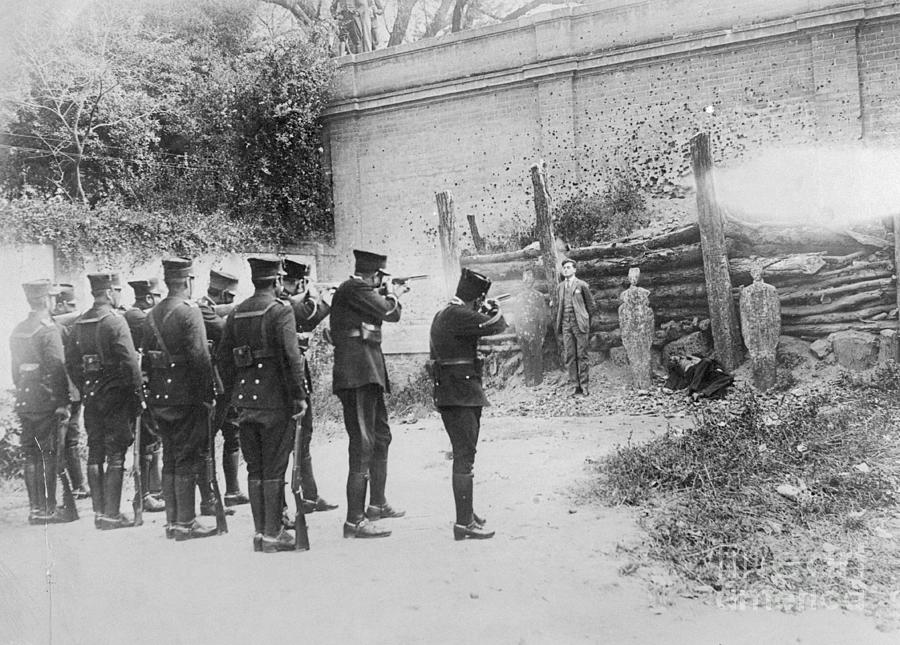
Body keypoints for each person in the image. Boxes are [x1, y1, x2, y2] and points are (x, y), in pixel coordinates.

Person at [216, 256, 309, 553]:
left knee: (254, 469)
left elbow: (223, 358)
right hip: (274, 402)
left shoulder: (237, 312)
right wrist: (299, 396)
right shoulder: (280, 311)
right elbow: (292, 357)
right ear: (278, 280)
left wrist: (232, 396)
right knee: (274, 468)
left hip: (245, 402)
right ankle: (273, 533)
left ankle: (260, 533)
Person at [330, 249, 407, 539]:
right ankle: (354, 521)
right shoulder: (355, 287)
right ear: (373, 274)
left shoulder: (358, 290)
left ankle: (376, 505)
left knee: (381, 437)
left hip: (367, 372)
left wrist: (391, 294)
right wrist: (394, 293)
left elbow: (390, 313)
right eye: (380, 277)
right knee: (362, 444)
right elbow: (391, 312)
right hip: (357, 374)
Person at [141, 258, 218, 541]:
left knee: (171, 456)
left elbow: (146, 359)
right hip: (186, 396)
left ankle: (173, 522)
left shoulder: (151, 315)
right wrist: (207, 395)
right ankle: (185, 523)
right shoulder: (189, 312)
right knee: (186, 456)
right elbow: (200, 358)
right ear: (187, 282)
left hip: (161, 396)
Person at [429, 268, 507, 540]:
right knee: (465, 457)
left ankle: (467, 514)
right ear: (476, 297)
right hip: (460, 393)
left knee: (465, 455)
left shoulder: (448, 313)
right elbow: (498, 325)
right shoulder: (456, 314)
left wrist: (484, 309)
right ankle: (464, 523)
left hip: (456, 391)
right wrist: (494, 308)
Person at [65, 272, 142, 529]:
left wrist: (86, 386)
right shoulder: (115, 322)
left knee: (95, 451)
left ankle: (99, 513)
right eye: (117, 290)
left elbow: (72, 363)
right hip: (116, 396)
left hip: (92, 395)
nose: (119, 295)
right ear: (109, 292)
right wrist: (137, 395)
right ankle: (112, 514)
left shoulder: (79, 323)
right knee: (116, 452)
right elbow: (130, 363)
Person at [12, 280, 73, 524]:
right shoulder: (48, 329)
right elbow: (57, 368)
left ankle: (35, 509)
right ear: (47, 300)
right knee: (47, 454)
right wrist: (63, 401)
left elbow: (15, 372)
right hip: (46, 399)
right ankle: (48, 509)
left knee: (30, 455)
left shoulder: (17, 329)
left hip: (26, 399)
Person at [281, 259, 337, 514]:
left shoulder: (290, 301)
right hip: (286, 381)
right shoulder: (282, 303)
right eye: (301, 282)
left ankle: (310, 495)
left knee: (304, 437)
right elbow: (308, 318)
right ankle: (291, 500)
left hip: (297, 377)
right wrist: (322, 300)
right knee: (289, 441)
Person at [197, 269, 247, 510]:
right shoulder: (202, 309)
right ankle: (209, 498)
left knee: (233, 433)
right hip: (212, 385)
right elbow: (226, 331)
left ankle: (233, 490)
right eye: (232, 298)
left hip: (228, 383)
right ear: (225, 294)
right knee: (206, 439)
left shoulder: (210, 309)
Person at [124, 278, 165, 513]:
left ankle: (154, 489)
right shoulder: (137, 317)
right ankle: (144, 494)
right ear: (149, 298)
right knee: (146, 439)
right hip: (140, 387)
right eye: (159, 297)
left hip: (149, 385)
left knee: (152, 437)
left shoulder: (139, 315)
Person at [51, 283, 89, 499]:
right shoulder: (55, 326)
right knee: (60, 442)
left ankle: (78, 485)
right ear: (62, 304)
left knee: (70, 439)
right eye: (71, 305)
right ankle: (64, 491)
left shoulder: (59, 325)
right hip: (62, 393)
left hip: (70, 392)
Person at [555, 258, 594, 396]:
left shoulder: (582, 285)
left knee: (582, 355)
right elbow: (558, 306)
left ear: (575, 269)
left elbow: (591, 306)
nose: (566, 269)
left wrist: (586, 321)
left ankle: (584, 385)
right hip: (566, 324)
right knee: (570, 355)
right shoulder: (560, 287)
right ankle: (574, 385)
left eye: (569, 267)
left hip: (580, 324)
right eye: (564, 267)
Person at [515, 267, 550, 386]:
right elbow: (516, 316)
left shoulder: (538, 296)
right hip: (523, 331)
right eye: (525, 277)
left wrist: (542, 333)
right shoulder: (518, 297)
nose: (527, 280)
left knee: (537, 354)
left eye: (530, 277)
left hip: (536, 331)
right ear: (522, 280)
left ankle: (538, 380)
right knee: (526, 355)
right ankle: (528, 380)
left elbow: (543, 316)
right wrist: (518, 331)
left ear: (533, 280)